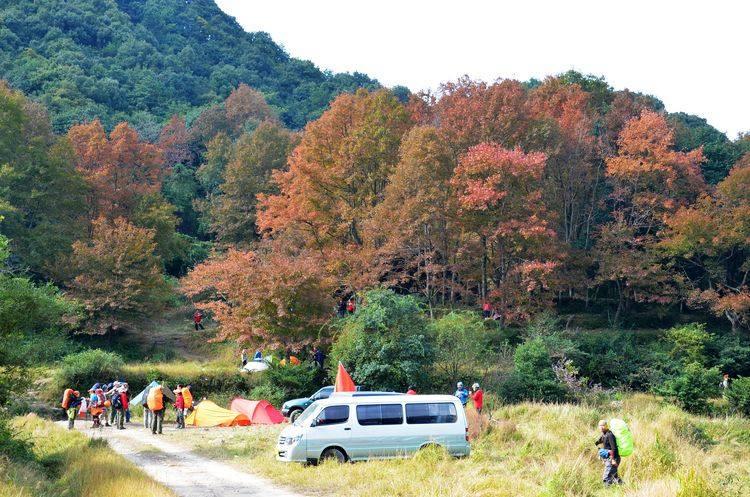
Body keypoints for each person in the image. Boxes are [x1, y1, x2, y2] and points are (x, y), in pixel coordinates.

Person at [595, 420, 623, 486]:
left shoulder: (610, 435)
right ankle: (624, 487)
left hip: (613, 458)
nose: (601, 427)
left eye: (603, 425)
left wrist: (613, 460)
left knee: (606, 477)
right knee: (614, 477)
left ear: (606, 426)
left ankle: (606, 491)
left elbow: (614, 448)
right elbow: (597, 442)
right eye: (600, 426)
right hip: (609, 458)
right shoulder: (603, 435)